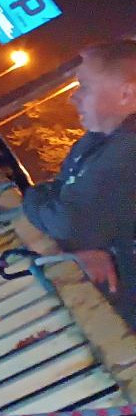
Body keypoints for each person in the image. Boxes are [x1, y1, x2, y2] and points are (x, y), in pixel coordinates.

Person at [18, 40, 136, 326]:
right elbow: (60, 203)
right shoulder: (96, 142)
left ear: (127, 93)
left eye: (84, 86)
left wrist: (34, 198)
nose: (74, 98)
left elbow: (69, 224)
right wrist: (43, 199)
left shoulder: (129, 151)